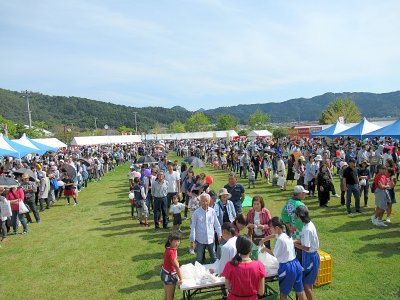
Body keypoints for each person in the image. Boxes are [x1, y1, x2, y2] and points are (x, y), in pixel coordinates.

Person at [261, 217, 307, 300]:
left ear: (277, 228)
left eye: (270, 227)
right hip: (296, 264)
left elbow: (274, 254)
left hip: (287, 268)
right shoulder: (286, 234)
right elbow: (274, 235)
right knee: (300, 291)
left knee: (283, 294)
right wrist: (264, 239)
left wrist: (265, 249)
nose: (270, 229)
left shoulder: (280, 240)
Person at [222, 235, 265, 299]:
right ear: (251, 249)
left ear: (237, 248)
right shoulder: (259, 266)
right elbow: (261, 292)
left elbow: (227, 286)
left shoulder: (229, 265)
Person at [294, 206, 320, 300]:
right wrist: (294, 241)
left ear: (299, 216)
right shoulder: (308, 224)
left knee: (306, 285)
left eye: (296, 215)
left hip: (310, 257)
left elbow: (307, 247)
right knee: (308, 283)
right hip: (310, 256)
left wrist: (296, 245)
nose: (296, 217)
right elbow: (303, 240)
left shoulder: (307, 229)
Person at [189, 193, 222, 264]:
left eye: (206, 201)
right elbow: (193, 227)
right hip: (200, 239)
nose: (205, 203)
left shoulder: (212, 211)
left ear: (209, 201)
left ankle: (214, 268)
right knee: (199, 258)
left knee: (213, 256)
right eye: (203, 201)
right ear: (200, 202)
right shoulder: (196, 213)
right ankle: (199, 269)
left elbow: (217, 224)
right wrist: (192, 240)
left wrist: (219, 235)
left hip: (210, 238)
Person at [161, 232, 183, 300]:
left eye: (178, 241)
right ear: (170, 241)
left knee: (167, 295)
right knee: (170, 297)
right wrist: (181, 279)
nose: (177, 243)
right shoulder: (171, 252)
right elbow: (177, 266)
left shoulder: (169, 248)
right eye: (175, 241)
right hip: (169, 275)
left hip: (164, 272)